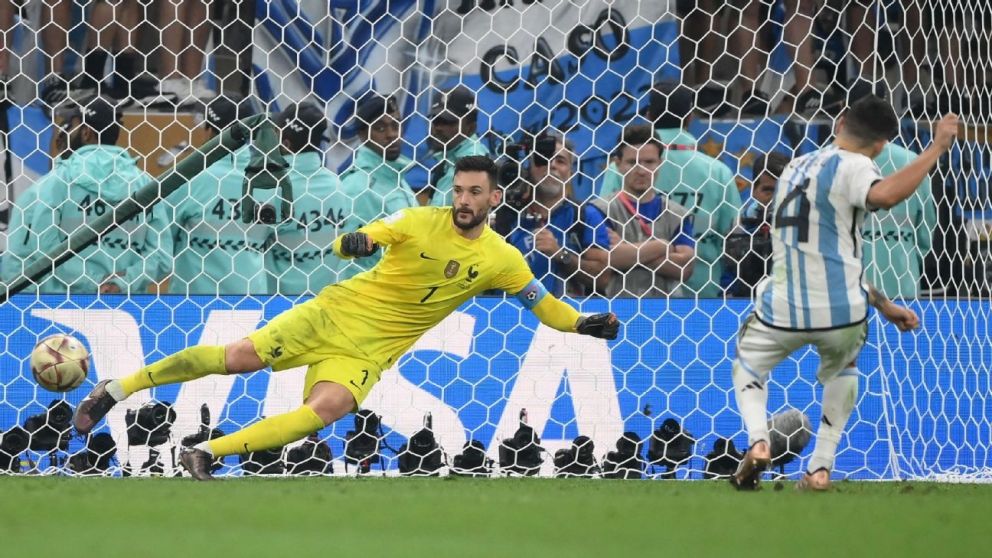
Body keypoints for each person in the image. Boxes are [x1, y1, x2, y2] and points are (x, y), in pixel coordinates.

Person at [72, 155, 621, 480]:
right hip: (332, 314)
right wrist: (355, 242)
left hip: (366, 352)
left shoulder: (502, 259)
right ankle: (115, 389)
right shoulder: (419, 219)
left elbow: (545, 308)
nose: (463, 199)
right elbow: (359, 238)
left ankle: (203, 454)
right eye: (458, 190)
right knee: (237, 359)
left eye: (474, 192)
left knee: (324, 411)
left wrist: (581, 323)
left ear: (494, 197)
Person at [729, 96, 958, 492]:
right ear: (883, 145)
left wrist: (884, 305)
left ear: (840, 122)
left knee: (748, 368)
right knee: (844, 368)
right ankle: (820, 468)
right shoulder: (859, 166)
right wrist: (937, 146)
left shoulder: (795, 168)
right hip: (842, 311)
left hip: (782, 305)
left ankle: (759, 441)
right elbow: (883, 196)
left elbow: (823, 250)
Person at [2, 96, 171, 293]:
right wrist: (120, 283)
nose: (62, 134)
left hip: (60, 310)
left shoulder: (53, 185)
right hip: (127, 310)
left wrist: (90, 283)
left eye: (70, 126)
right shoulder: (145, 185)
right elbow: (161, 257)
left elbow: (34, 254)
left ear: (86, 132)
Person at [600, 82, 741, 297]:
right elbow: (734, 237)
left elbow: (605, 233)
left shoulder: (620, 167)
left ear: (648, 117)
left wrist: (638, 251)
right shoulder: (719, 172)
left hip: (632, 294)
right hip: (703, 293)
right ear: (690, 118)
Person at [167, 94, 270, 295]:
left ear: (209, 130)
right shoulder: (270, 181)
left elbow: (160, 242)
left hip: (191, 308)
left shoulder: (190, 179)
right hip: (253, 303)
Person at [595, 125, 696, 298]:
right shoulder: (600, 209)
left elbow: (684, 270)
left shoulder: (678, 214)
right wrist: (662, 246)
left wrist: (627, 250)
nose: (641, 170)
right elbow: (608, 260)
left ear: (660, 163)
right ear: (618, 164)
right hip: (616, 310)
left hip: (667, 313)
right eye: (632, 162)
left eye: (649, 162)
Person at [267, 102, 355, 294]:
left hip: (279, 306)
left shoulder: (273, 189)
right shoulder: (339, 186)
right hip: (328, 302)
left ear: (285, 143)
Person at [338, 93, 418, 278]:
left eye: (395, 125)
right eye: (380, 128)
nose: (391, 134)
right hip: (372, 297)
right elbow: (350, 261)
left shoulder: (395, 177)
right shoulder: (357, 187)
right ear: (362, 134)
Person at [506, 175, 611, 297]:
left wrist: (561, 254)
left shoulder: (584, 215)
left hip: (567, 311)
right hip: (512, 309)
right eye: (543, 161)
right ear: (530, 167)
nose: (552, 165)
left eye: (560, 161)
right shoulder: (508, 218)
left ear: (570, 171)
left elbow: (602, 278)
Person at [723, 151, 791, 297]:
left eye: (783, 190)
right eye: (768, 190)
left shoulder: (802, 227)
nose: (776, 198)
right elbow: (728, 274)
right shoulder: (740, 225)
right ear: (754, 190)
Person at [421, 86, 490, 207]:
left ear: (471, 128)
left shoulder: (472, 164)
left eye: (449, 122)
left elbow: (441, 218)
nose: (438, 128)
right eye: (436, 120)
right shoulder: (448, 157)